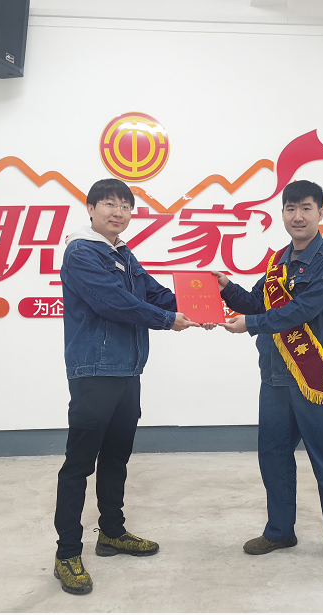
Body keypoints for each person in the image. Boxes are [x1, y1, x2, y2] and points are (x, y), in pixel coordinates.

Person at [53, 178, 197, 595]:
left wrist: (202, 299)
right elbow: (112, 302)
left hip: (127, 371)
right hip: (95, 372)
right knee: (79, 465)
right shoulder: (82, 253)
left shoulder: (123, 254)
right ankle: (66, 554)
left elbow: (154, 293)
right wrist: (167, 320)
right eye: (109, 204)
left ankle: (112, 533)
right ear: (90, 209)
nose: (118, 212)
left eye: (125, 206)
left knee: (116, 457)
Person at [213, 180, 323, 568]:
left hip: (313, 379)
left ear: (321, 213)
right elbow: (255, 303)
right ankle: (280, 531)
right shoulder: (278, 261)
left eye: (306, 208)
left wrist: (250, 324)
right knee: (273, 457)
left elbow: (301, 311)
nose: (298, 216)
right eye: (290, 208)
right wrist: (227, 288)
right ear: (282, 214)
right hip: (275, 377)